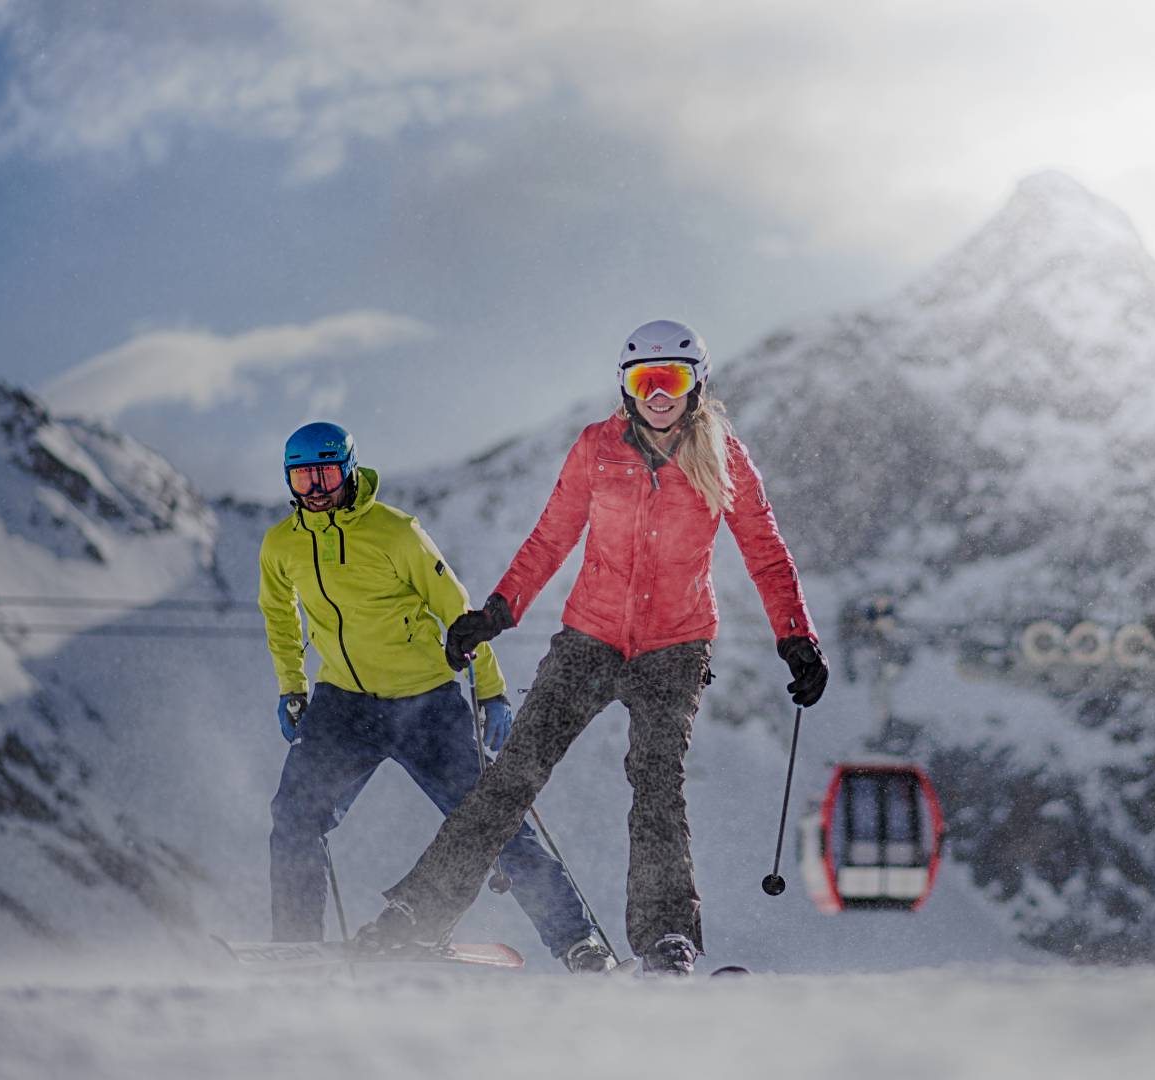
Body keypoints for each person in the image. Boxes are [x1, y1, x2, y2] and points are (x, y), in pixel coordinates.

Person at [352, 320, 829, 975]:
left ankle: (666, 936)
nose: (658, 395)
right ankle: (416, 915)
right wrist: (495, 612)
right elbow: (551, 538)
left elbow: (767, 552)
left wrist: (796, 638)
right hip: (589, 640)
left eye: (673, 380)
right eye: (644, 381)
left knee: (658, 785)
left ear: (698, 387)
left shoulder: (726, 459)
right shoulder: (595, 449)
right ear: (626, 388)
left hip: (675, 649)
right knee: (511, 778)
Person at [257, 420, 616, 972]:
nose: (317, 490)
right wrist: (292, 686)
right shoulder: (282, 545)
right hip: (343, 704)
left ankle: (578, 943)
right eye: (303, 480)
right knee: (295, 815)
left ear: (350, 471)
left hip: (423, 703)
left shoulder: (396, 532)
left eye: (326, 474)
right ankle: (296, 947)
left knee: (492, 820)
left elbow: (459, 611)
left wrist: (492, 691)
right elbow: (279, 615)